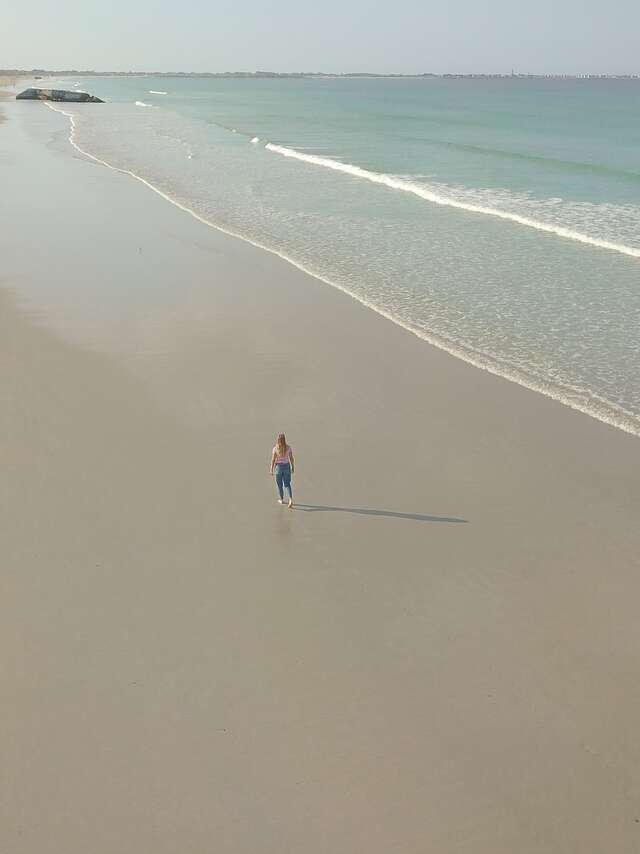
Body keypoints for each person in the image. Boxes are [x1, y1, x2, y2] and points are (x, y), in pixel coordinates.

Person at [270, 433, 294, 508]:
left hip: (279, 468)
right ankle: (290, 499)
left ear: (278, 440)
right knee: (287, 484)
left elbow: (273, 460)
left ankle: (281, 499)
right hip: (287, 466)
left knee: (279, 485)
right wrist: (293, 467)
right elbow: (291, 458)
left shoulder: (275, 449)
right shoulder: (288, 448)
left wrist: (271, 469)